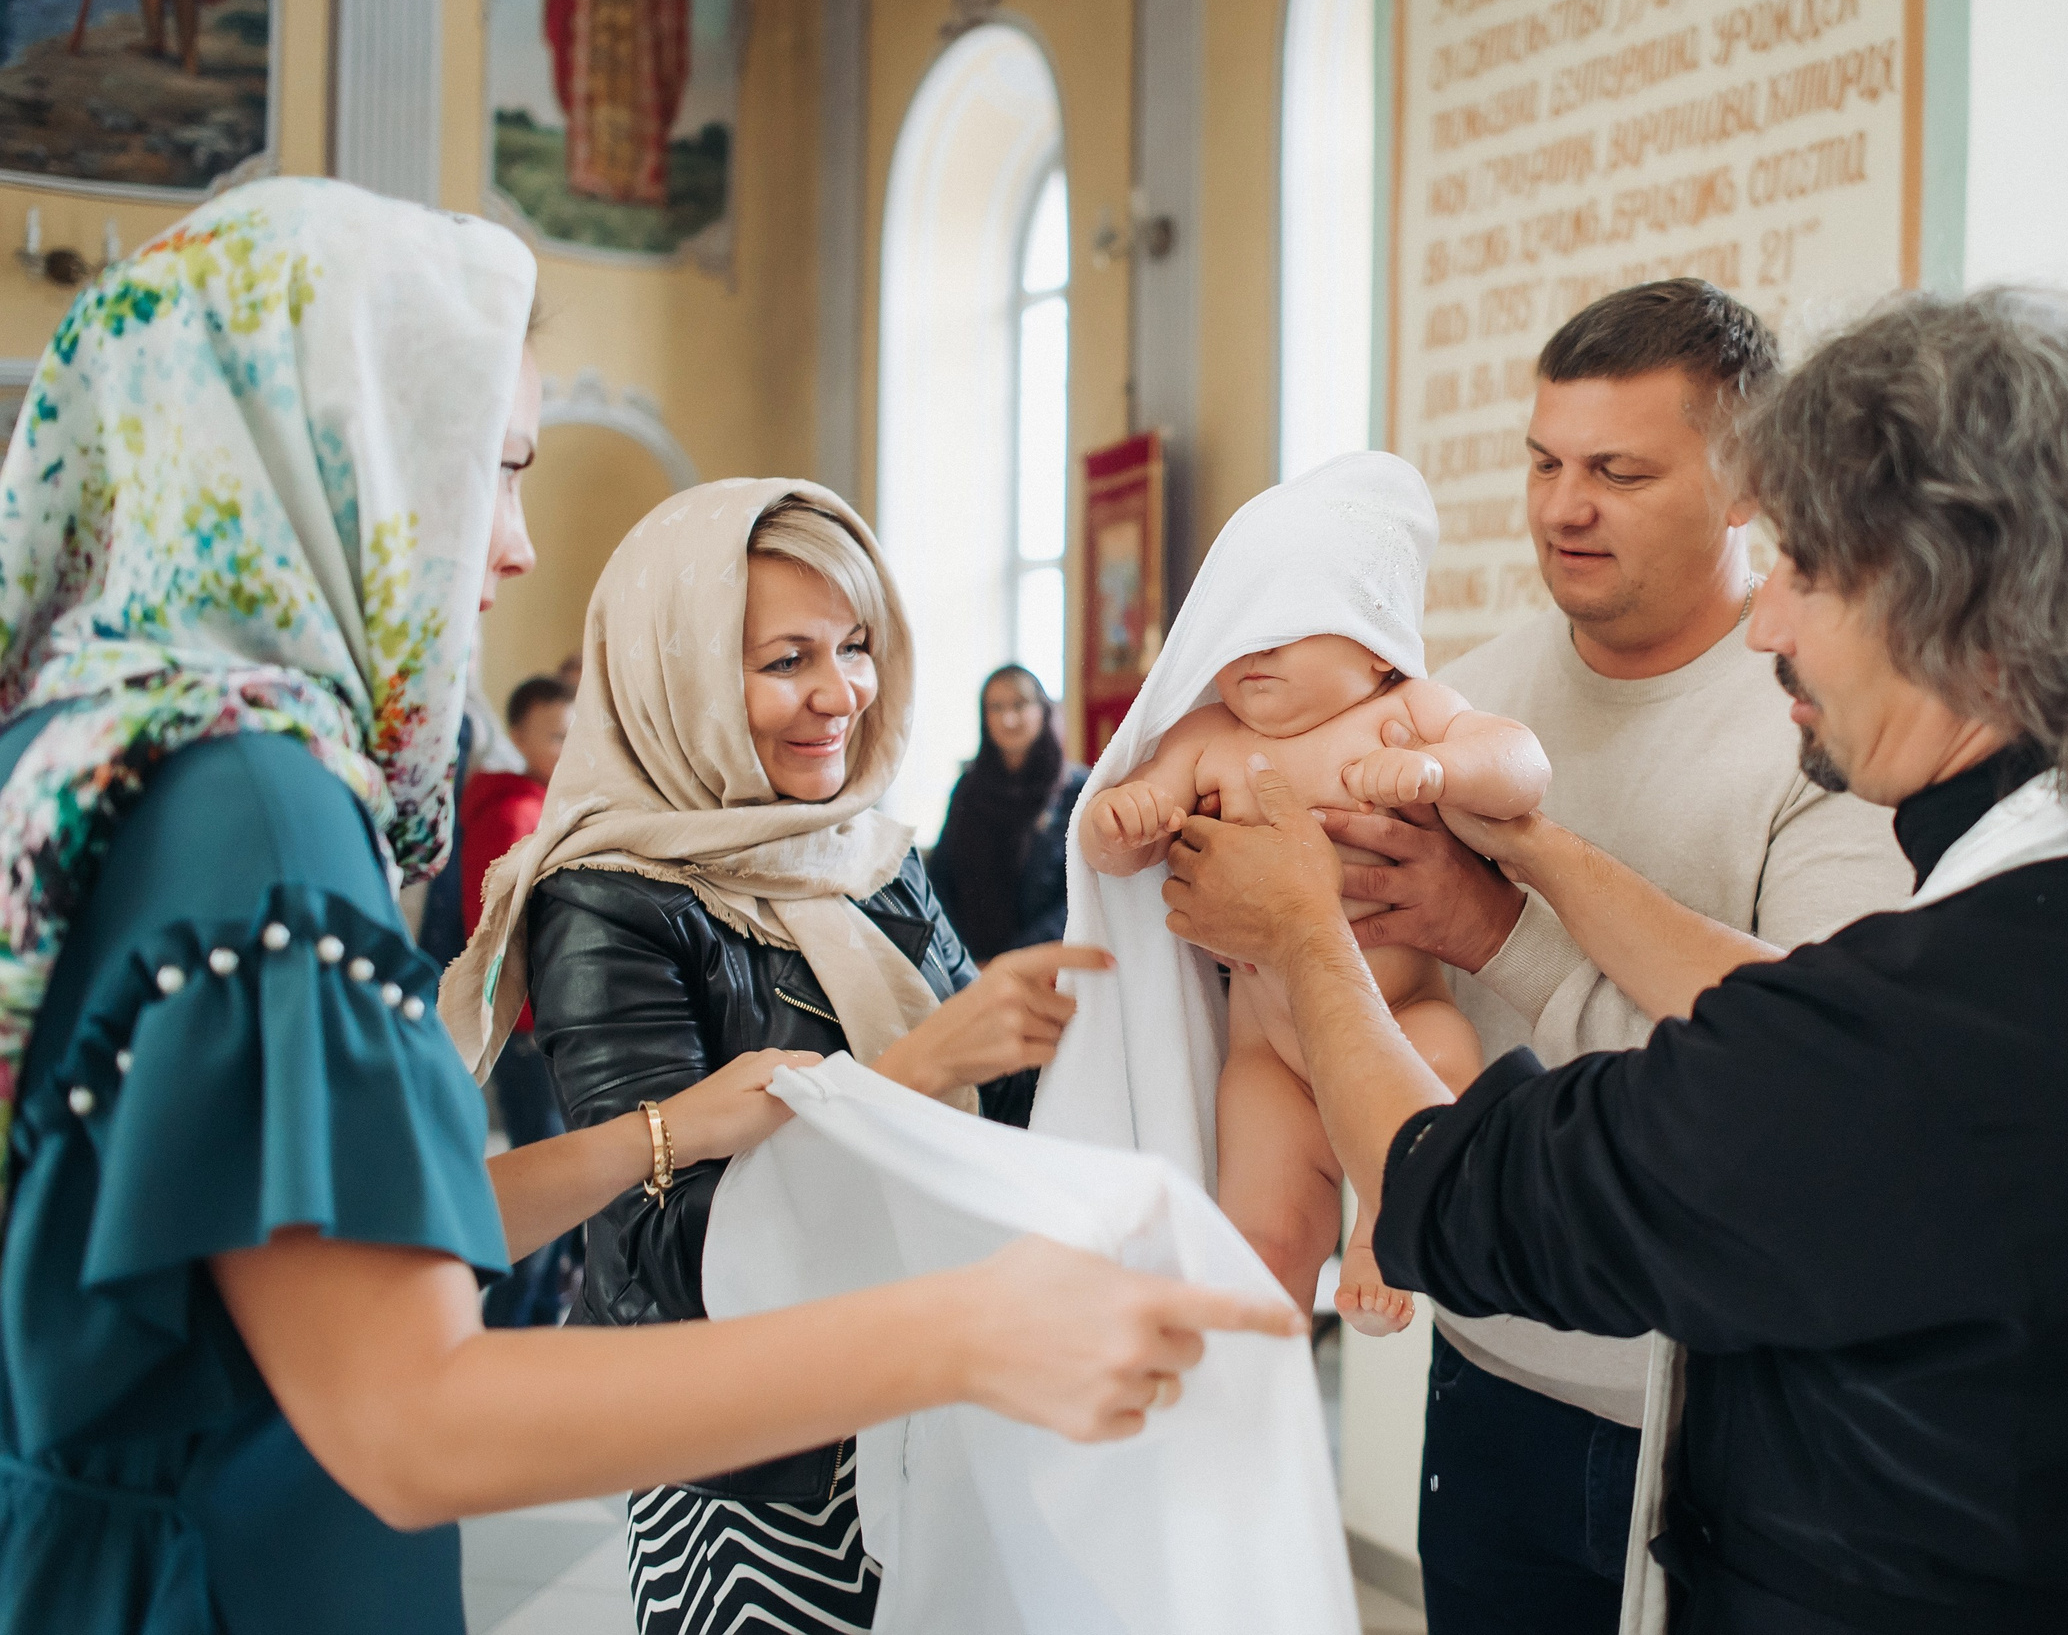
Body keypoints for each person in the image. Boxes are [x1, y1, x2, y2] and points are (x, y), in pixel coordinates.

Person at [0, 177, 1295, 1635]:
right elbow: (414, 1415)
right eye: (485, 469)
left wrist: (697, 1124)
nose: (515, 546)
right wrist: (964, 1330)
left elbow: (314, 1250)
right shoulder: (257, 804)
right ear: (327, 459)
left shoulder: (104, 755)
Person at [1161, 288, 2068, 1635]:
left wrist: (1299, 938)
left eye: (1807, 573)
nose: (1768, 627)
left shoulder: (1933, 1031)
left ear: (1963, 607)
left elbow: (1460, 1192)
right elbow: (1802, 1020)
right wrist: (1535, 859)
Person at [1322, 280, 1906, 1630]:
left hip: (1712, 1391)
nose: (1561, 507)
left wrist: (1498, 920)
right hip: (1489, 1362)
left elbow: (1803, 1088)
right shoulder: (1464, 695)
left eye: (1618, 471)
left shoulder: (1825, 722)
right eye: (1544, 463)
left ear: (1746, 481)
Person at [453, 481, 1137, 1634]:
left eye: (856, 645)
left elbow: (998, 1115)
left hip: (926, 1395)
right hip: (750, 1457)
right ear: (682, 672)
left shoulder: (866, 850)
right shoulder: (609, 896)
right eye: (785, 659)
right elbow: (670, 1249)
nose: (839, 693)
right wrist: (914, 1066)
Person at [1079, 617, 1547, 1335]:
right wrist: (1124, 818)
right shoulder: (1210, 735)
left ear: (1372, 643)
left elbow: (1522, 764)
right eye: (1236, 630)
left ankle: (1382, 1235)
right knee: (1264, 1238)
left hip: (1402, 1025)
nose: (1253, 649)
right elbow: (1117, 851)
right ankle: (1259, 1376)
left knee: (1449, 1057)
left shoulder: (1407, 709)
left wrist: (1443, 769)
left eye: (1287, 629)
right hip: (1274, 1060)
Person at [461, 673, 580, 1328]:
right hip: (530, 1028)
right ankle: (507, 1327)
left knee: (566, 1177)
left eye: (574, 735)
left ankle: (532, 1321)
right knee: (548, 1180)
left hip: (552, 1021)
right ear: (517, 736)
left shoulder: (545, 806)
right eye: (554, 735)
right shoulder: (511, 813)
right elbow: (500, 929)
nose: (567, 748)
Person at [926, 664, 1088, 964]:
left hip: (1046, 963)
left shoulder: (1076, 790)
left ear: (1042, 710)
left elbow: (1080, 897)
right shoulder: (968, 787)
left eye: (1019, 705)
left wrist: (1011, 961)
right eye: (996, 707)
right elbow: (940, 877)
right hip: (967, 965)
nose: (1008, 719)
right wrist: (957, 958)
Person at [543, 0, 690, 207]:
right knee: (591, 93)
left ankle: (640, 184)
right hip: (590, 10)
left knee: (639, 93)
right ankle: (590, 178)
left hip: (637, 13)